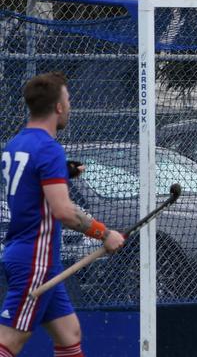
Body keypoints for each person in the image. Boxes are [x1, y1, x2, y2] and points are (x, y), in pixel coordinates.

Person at [0, 72, 124, 357]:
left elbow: (32, 183)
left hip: (28, 255)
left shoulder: (16, 143)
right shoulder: (48, 149)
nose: (70, 106)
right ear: (58, 107)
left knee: (69, 334)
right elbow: (64, 212)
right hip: (35, 260)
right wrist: (105, 234)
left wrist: (63, 171)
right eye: (68, 100)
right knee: (9, 340)